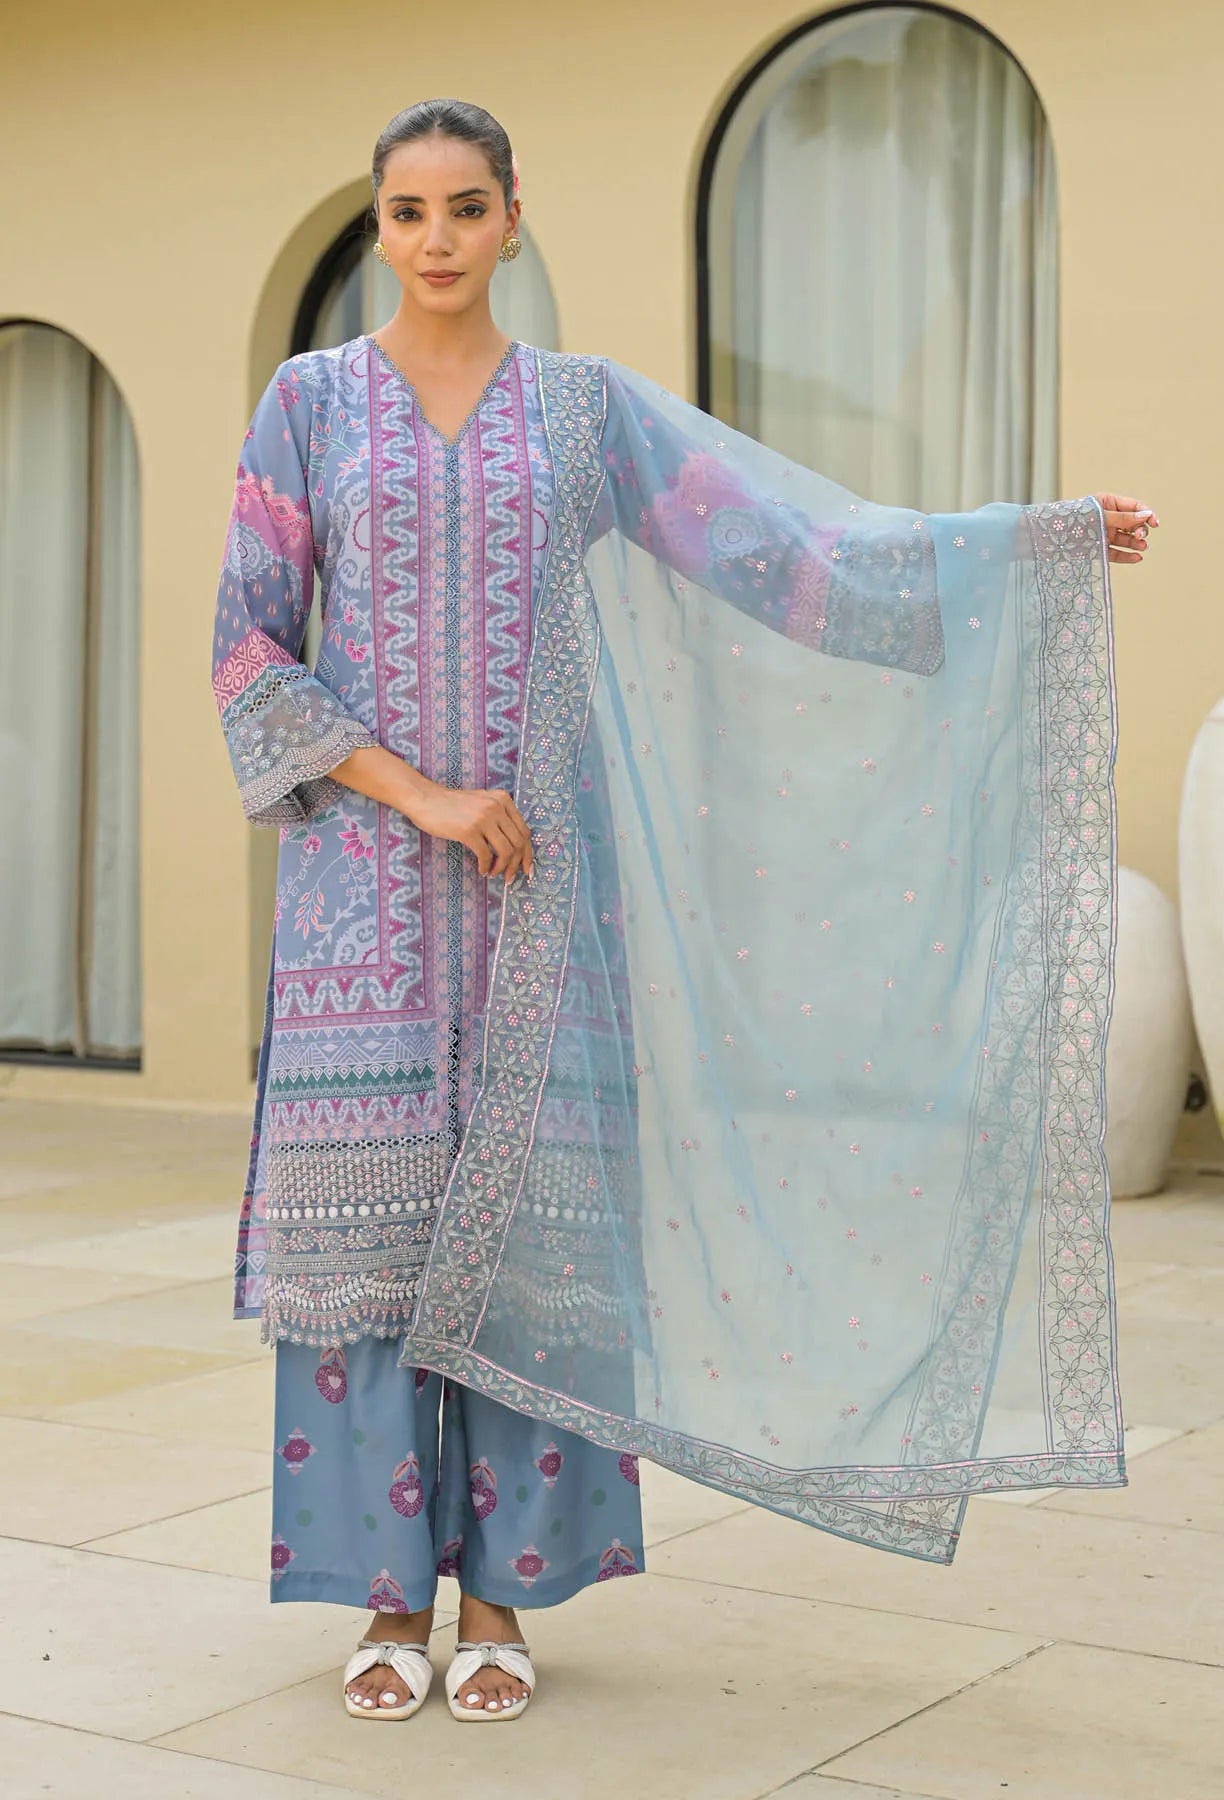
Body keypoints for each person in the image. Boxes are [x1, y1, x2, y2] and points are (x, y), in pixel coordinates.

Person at [211, 98, 1157, 1723]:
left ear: (515, 220)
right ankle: (383, 1597)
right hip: (362, 908)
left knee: (533, 1254)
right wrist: (423, 794)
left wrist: (1023, 553)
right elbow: (246, 647)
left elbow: (786, 555)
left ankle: (502, 1606)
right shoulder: (310, 408)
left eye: (464, 207)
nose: (434, 237)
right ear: (380, 228)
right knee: (365, 1256)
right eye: (405, 211)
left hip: (542, 913)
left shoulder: (586, 417)